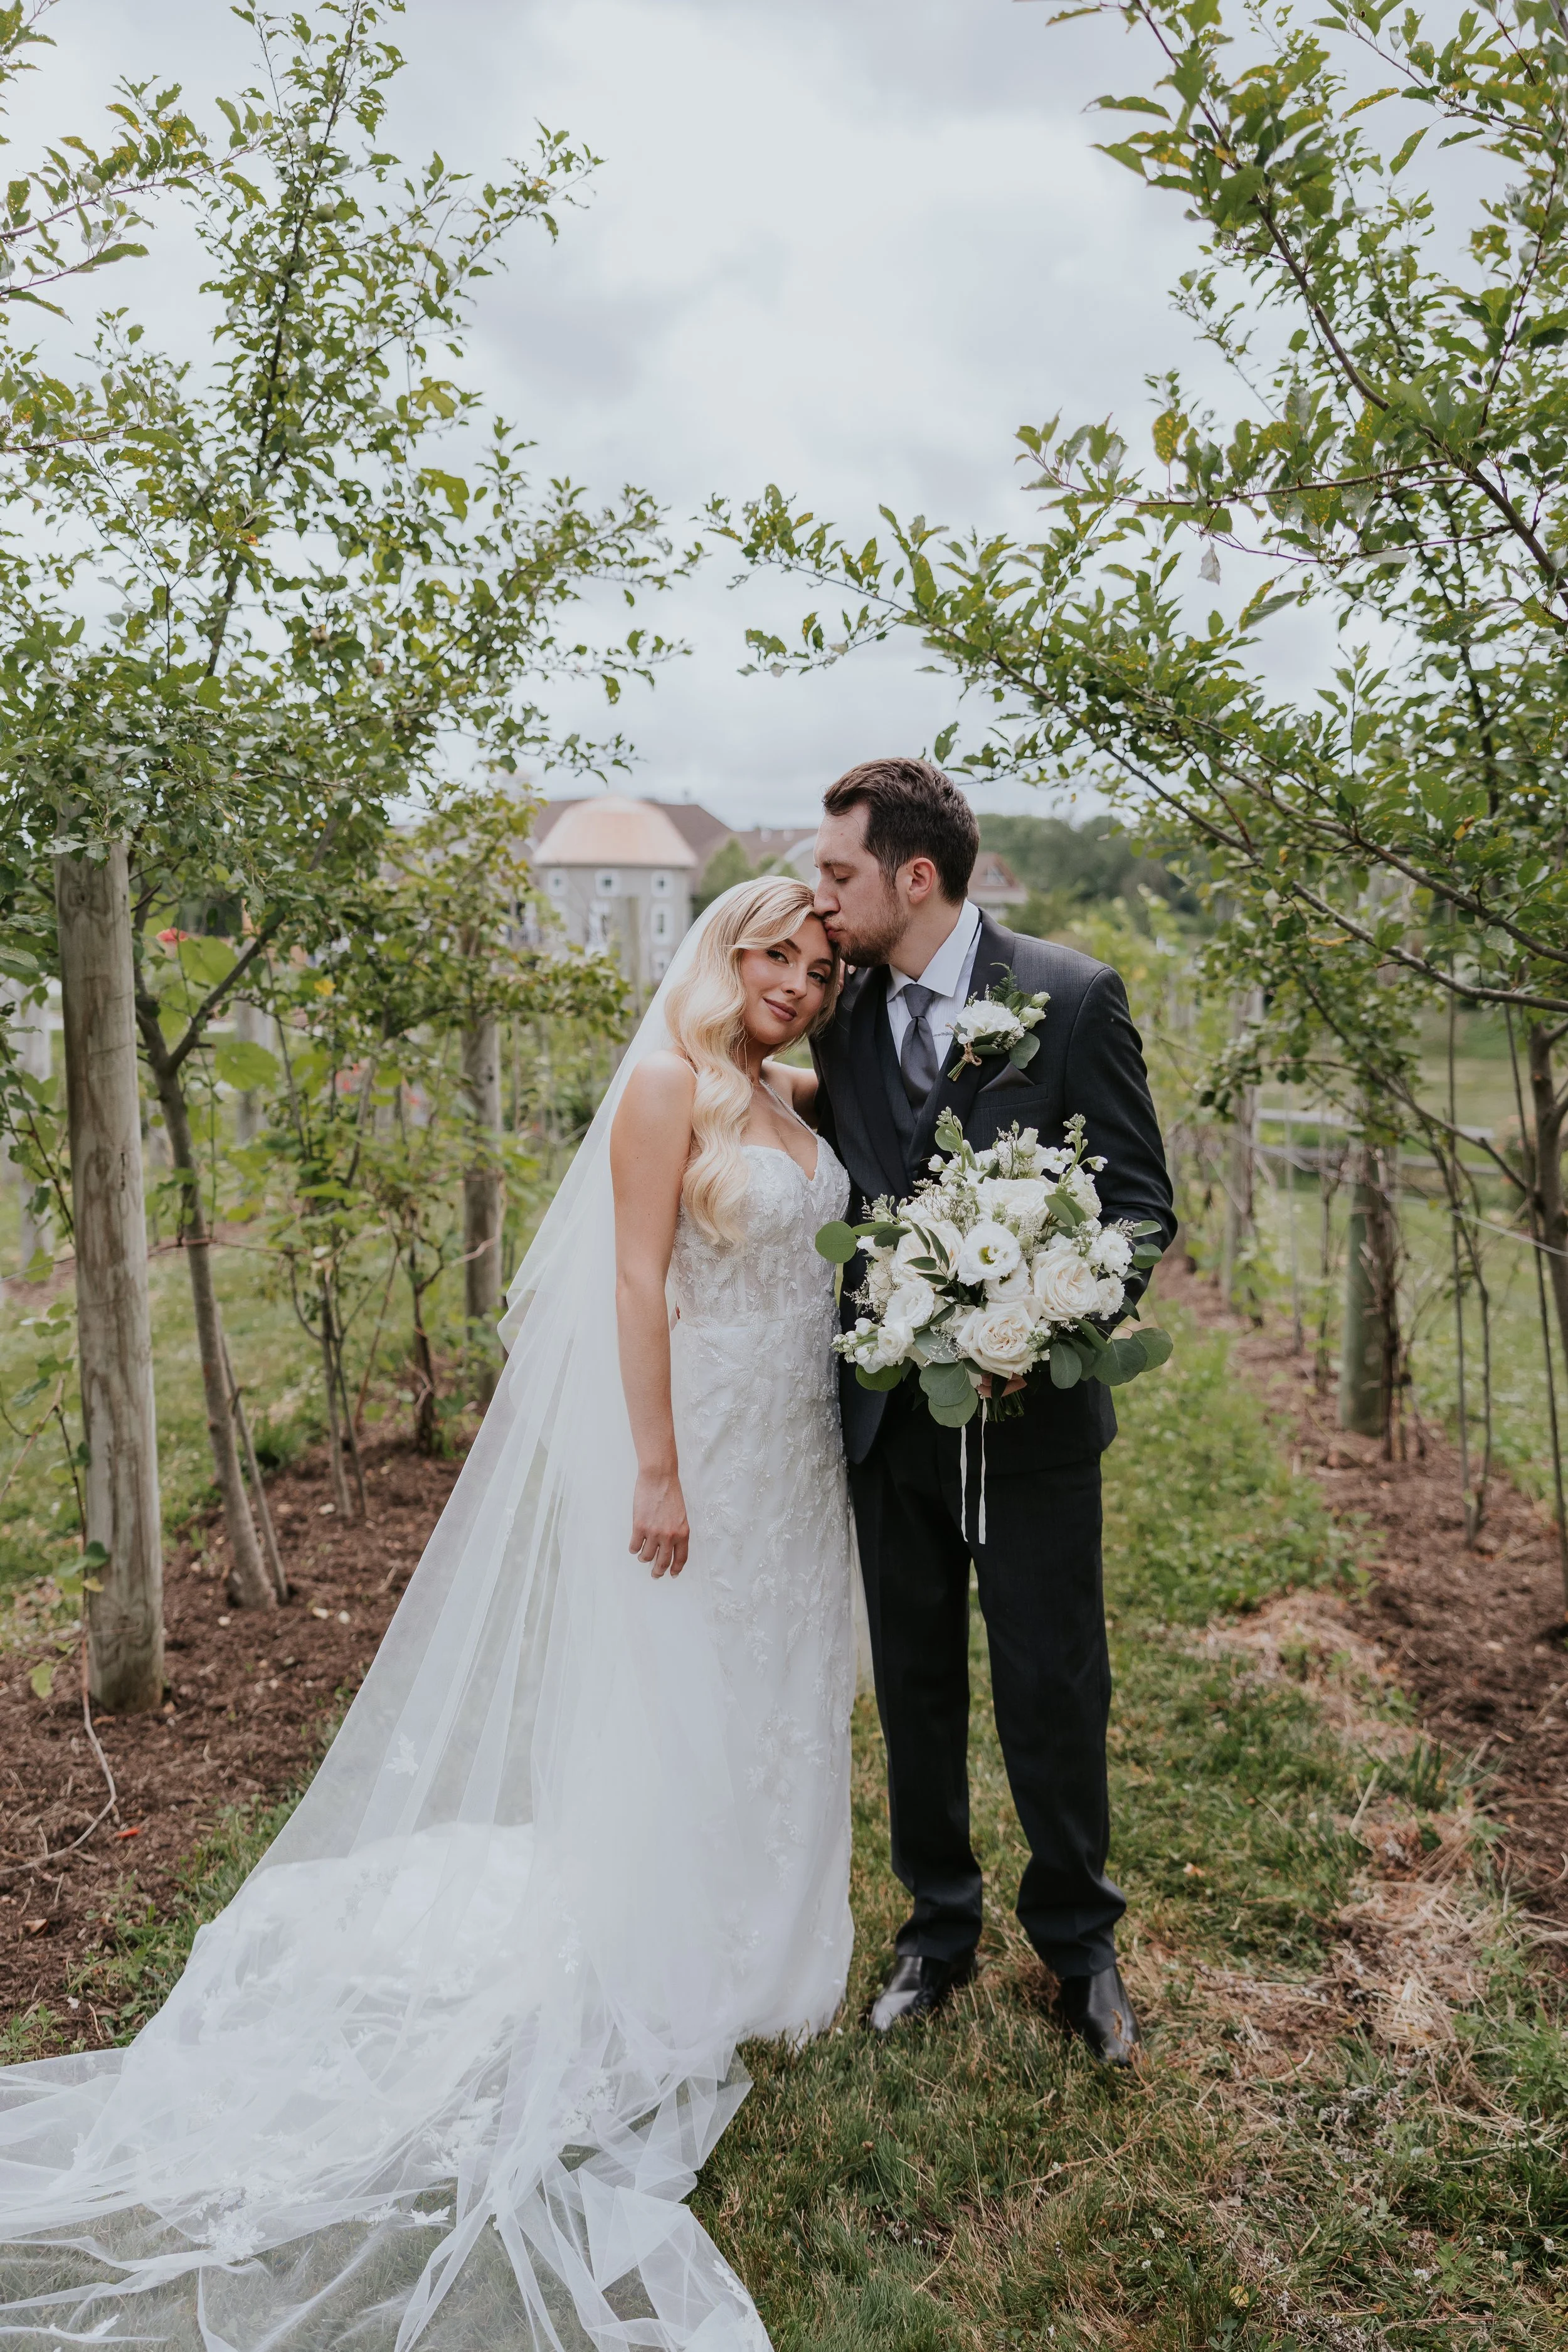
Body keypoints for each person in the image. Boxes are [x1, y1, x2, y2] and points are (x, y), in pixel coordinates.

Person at [0, 877, 855, 2352]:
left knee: (777, 1693)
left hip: (794, 1452)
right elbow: (636, 1280)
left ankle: (771, 1952)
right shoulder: (667, 1085)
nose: (794, 977)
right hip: (701, 1443)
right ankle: (677, 1962)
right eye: (768, 951)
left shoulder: (785, 1091)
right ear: (716, 952)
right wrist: (654, 1466)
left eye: (818, 962)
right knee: (687, 1693)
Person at [810, 757, 1176, 2063]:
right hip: (885, 1426)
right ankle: (936, 1928)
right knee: (912, 1680)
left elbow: (1137, 1205)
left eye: (838, 871)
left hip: (1027, 1426)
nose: (820, 895)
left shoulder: (1068, 997)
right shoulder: (837, 1013)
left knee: (1051, 1679)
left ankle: (1079, 1946)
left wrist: (1059, 1311)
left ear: (914, 876)